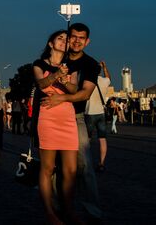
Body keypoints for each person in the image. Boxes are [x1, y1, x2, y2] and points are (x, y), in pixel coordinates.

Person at [41, 23, 103, 223]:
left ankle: (91, 211)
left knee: (83, 165)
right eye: (72, 37)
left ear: (87, 41)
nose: (76, 41)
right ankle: (56, 207)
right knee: (52, 167)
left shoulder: (91, 64)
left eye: (81, 38)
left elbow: (85, 93)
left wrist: (62, 99)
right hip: (49, 117)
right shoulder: (58, 56)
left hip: (74, 119)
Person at [33, 30, 80, 224]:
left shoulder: (71, 67)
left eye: (66, 39)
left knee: (70, 170)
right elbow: (41, 84)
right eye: (60, 38)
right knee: (48, 167)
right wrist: (55, 75)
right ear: (51, 43)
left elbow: (74, 89)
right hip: (48, 117)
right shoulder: (39, 64)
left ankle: (68, 209)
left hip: (67, 117)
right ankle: (50, 212)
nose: (64, 41)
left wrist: (64, 80)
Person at [85, 61, 111, 172]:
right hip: (101, 113)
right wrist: (105, 67)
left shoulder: (87, 81)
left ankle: (86, 162)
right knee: (102, 139)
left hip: (89, 112)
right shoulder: (104, 81)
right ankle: (102, 163)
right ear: (100, 71)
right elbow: (108, 77)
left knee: (87, 140)